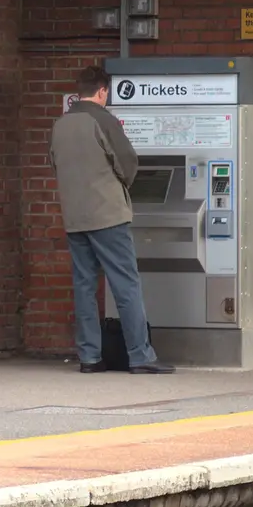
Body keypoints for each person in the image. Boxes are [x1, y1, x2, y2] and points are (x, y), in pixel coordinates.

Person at [50, 65, 175, 375]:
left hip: (75, 215)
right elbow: (128, 162)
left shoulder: (61, 124)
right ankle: (140, 355)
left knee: (84, 286)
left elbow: (55, 163)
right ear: (103, 91)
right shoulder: (103, 119)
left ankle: (90, 356)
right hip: (107, 215)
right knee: (125, 284)